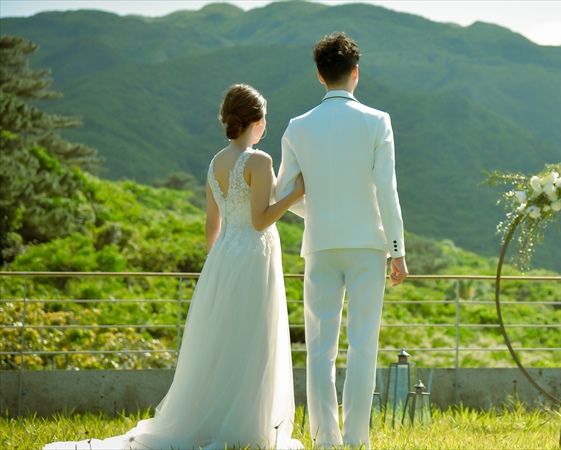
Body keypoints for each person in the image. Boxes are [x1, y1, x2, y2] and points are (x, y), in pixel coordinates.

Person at [45, 84, 305, 450]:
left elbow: (211, 227)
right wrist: (296, 194)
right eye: (265, 119)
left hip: (223, 259)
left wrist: (217, 270)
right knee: (252, 339)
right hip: (252, 258)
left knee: (223, 340)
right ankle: (245, 425)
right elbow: (261, 221)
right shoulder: (260, 161)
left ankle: (217, 417)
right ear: (257, 121)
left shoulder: (216, 163)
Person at [274, 32, 408, 449]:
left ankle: (324, 441)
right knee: (363, 346)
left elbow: (282, 196)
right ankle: (355, 441)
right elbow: (387, 190)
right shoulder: (377, 120)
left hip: (319, 244)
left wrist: (319, 211)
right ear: (356, 73)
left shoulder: (298, 127)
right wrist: (398, 251)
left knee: (319, 350)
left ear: (319, 76)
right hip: (369, 245)